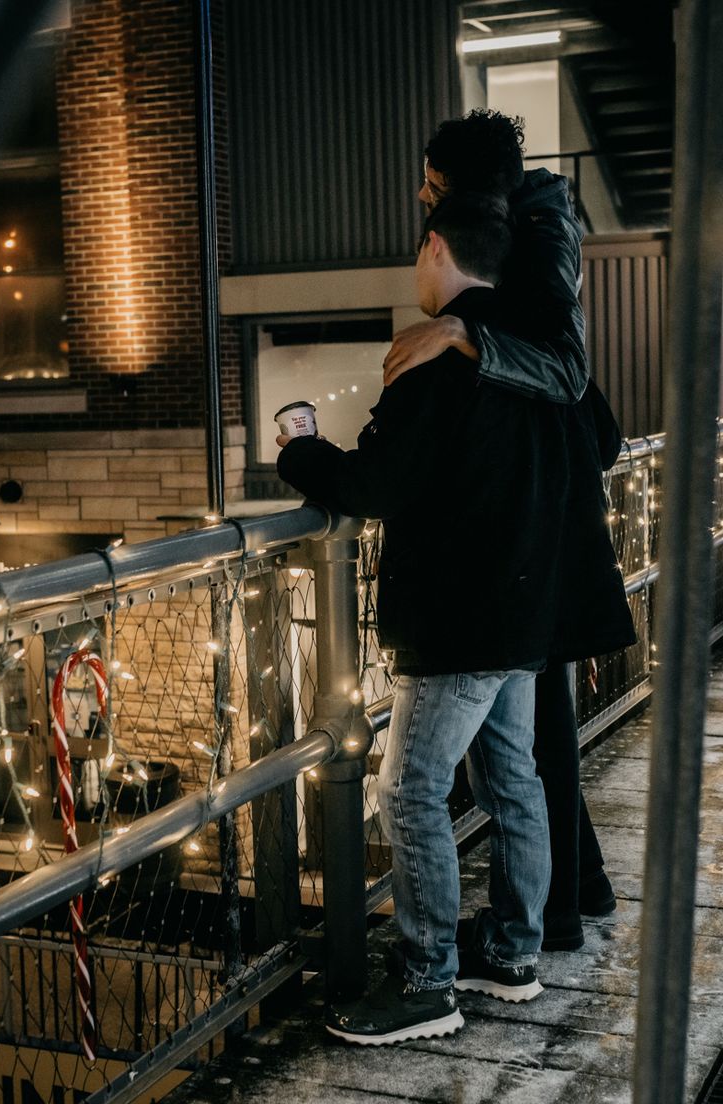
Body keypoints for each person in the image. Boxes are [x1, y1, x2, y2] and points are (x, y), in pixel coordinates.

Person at [277, 194, 635, 1046]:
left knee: (407, 788)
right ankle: (512, 954)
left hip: (461, 614)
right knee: (516, 777)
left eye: (417, 253)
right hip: (530, 608)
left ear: (436, 246)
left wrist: (298, 448)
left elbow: (372, 486)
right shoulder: (541, 354)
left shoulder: (437, 355)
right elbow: (609, 441)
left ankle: (427, 980)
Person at [384, 110, 621, 951]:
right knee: (530, 752)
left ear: (467, 190)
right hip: (537, 512)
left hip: (536, 526)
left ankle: (537, 924)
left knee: (522, 752)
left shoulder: (539, 225)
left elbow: (563, 365)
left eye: (432, 183)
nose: (421, 195)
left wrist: (459, 329)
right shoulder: (518, 223)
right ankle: (558, 909)